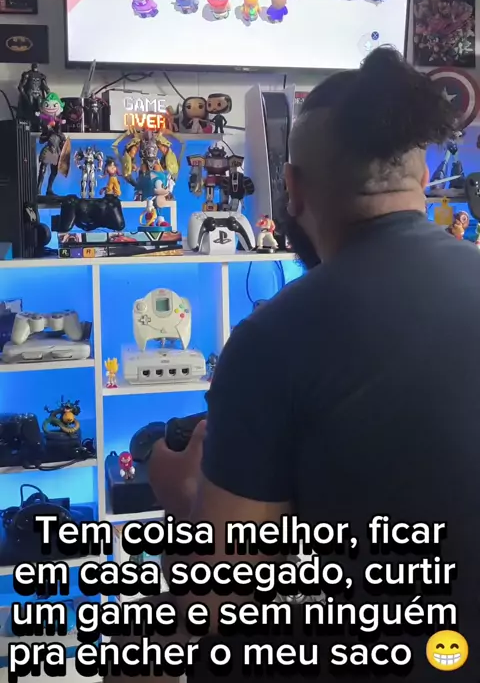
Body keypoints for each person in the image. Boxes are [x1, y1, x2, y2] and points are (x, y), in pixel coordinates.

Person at [107, 48, 480, 681]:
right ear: (422, 175)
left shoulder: (270, 340)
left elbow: (222, 603)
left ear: (293, 189)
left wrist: (184, 504)